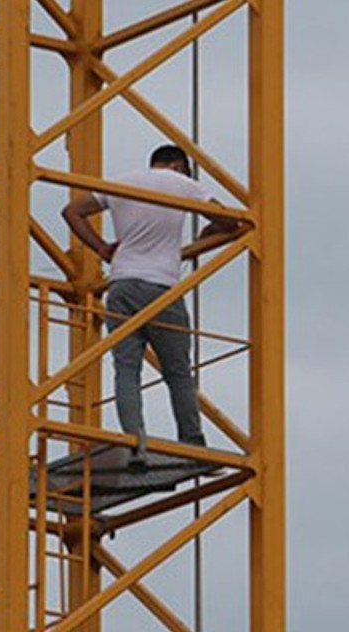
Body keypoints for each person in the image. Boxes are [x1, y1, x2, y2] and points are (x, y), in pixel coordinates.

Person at [61, 145, 238, 467]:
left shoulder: (121, 182)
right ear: (177, 165)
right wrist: (208, 232)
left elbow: (71, 212)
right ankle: (193, 444)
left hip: (121, 285)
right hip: (161, 288)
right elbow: (228, 221)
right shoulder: (182, 183)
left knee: (126, 369)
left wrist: (101, 247)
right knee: (178, 371)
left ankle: (133, 444)